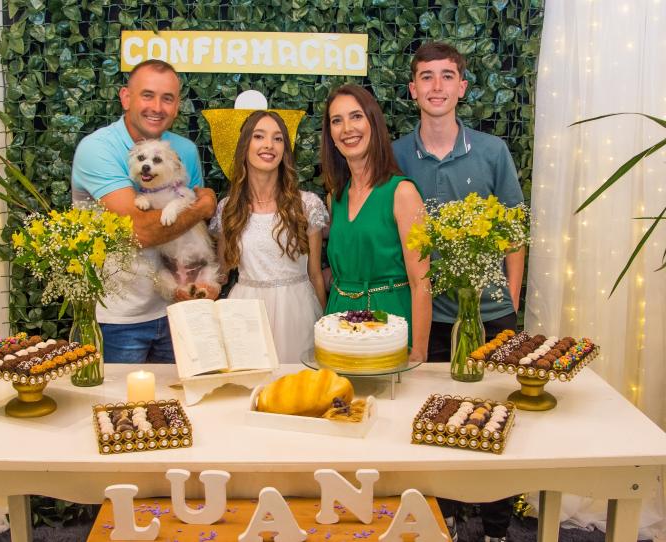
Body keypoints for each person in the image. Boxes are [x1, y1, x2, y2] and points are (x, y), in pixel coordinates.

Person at [392, 41, 525, 542]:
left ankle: (494, 525)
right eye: (427, 77)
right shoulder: (399, 155)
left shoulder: (493, 151)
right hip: (431, 316)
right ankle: (442, 516)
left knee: (494, 419)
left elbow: (514, 231)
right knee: (434, 419)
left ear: (462, 87)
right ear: (413, 90)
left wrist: (509, 299)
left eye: (447, 76)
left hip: (491, 315)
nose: (437, 86)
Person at [71, 59, 218, 363]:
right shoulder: (98, 148)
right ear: (126, 97)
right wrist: (202, 206)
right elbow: (140, 231)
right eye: (147, 95)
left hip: (178, 307)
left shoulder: (184, 152)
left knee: (178, 405)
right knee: (121, 407)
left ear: (177, 106)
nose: (157, 107)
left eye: (167, 98)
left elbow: (193, 232)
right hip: (120, 317)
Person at [321, 84, 431, 363]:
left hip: (390, 323)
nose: (347, 128)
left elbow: (422, 284)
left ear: (373, 123)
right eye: (337, 120)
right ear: (331, 135)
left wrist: (418, 352)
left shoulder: (403, 193)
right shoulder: (335, 197)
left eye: (356, 116)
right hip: (340, 325)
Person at [210, 111, 328, 363]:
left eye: (277, 139)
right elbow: (221, 273)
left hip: (296, 310)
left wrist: (325, 327)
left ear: (285, 150)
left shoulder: (307, 205)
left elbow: (315, 274)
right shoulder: (228, 208)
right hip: (245, 312)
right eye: (259, 136)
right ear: (245, 146)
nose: (268, 145)